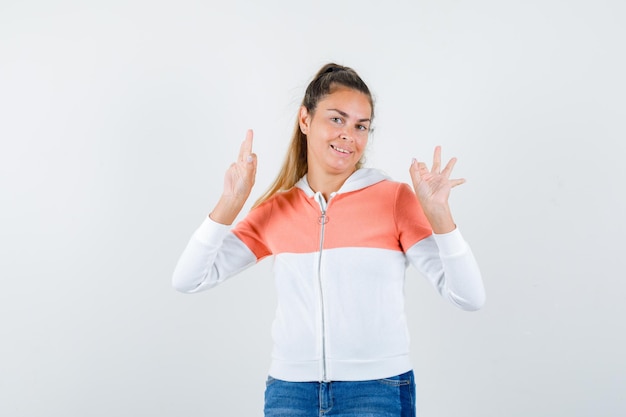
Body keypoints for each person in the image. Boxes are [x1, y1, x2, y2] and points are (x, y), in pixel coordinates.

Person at [172, 63, 485, 417]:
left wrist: (439, 214)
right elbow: (189, 279)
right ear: (305, 119)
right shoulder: (279, 209)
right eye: (337, 119)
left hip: (376, 391)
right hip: (290, 393)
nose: (348, 135)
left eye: (360, 125)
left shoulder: (394, 199)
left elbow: (469, 297)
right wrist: (230, 203)